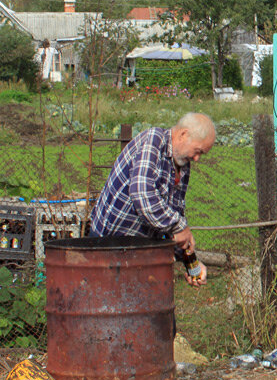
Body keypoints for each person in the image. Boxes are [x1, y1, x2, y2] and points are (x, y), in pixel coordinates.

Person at [89, 112, 216, 286]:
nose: (197, 158)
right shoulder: (153, 142)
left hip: (136, 252)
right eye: (198, 151)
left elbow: (172, 216)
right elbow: (143, 196)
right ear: (183, 134)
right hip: (107, 249)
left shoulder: (182, 167)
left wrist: (190, 261)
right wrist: (179, 227)